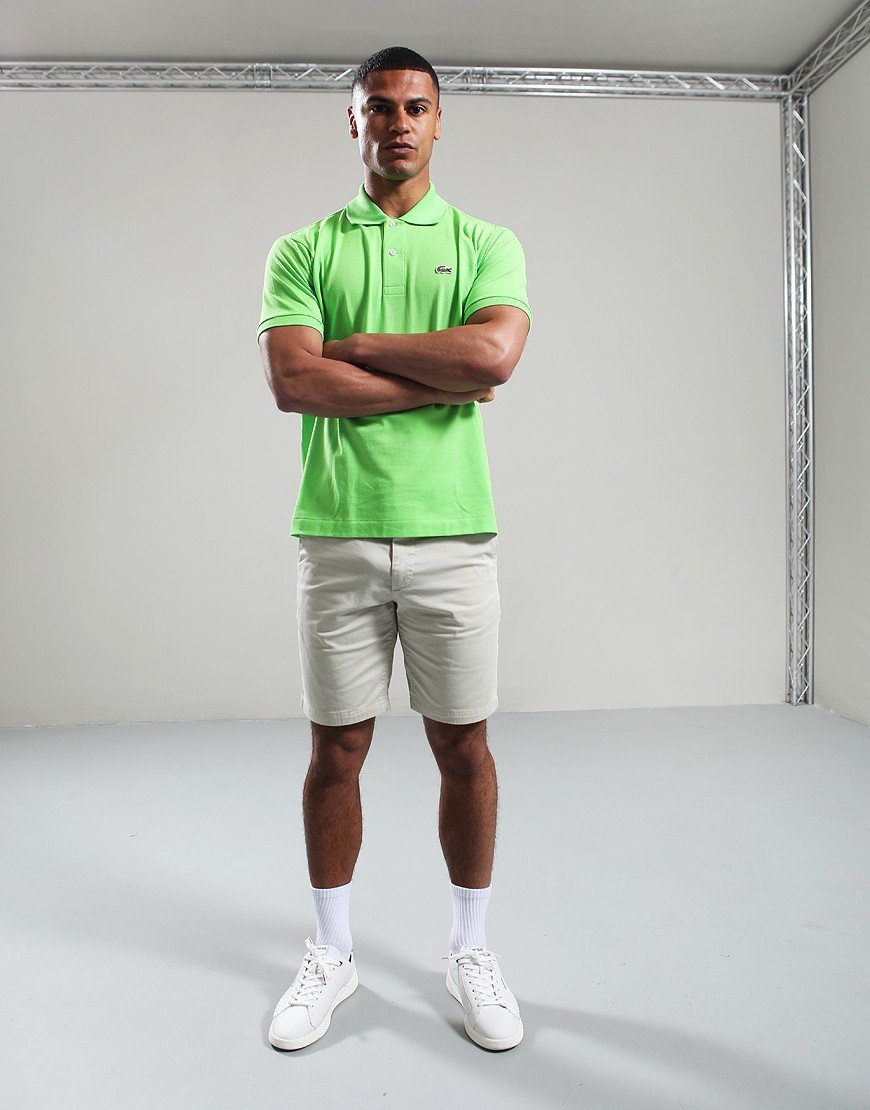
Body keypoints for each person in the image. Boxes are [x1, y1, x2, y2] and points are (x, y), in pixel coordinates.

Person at [257, 45, 532, 1052]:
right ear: (355, 120)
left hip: (452, 532)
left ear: (438, 120)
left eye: (416, 106)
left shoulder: (486, 241)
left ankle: (471, 950)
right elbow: (294, 382)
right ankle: (332, 953)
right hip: (335, 532)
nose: (399, 122)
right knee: (337, 752)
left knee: (464, 748)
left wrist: (358, 344)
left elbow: (493, 354)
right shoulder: (301, 250)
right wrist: (441, 376)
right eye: (380, 106)